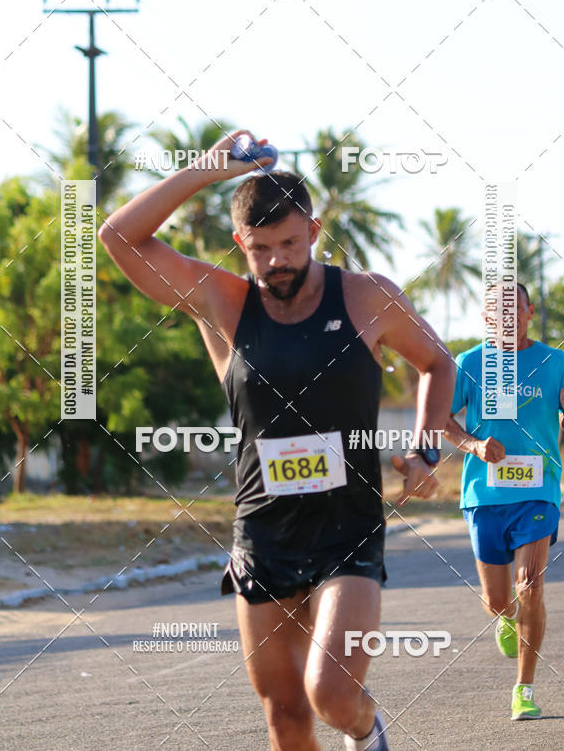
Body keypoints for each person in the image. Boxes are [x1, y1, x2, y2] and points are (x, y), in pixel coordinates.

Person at [99, 130, 456, 750]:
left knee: (332, 694)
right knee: (286, 717)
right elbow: (117, 237)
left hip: (348, 526)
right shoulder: (224, 300)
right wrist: (208, 171)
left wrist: (426, 451)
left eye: (290, 243)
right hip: (263, 529)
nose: (276, 261)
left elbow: (438, 362)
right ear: (241, 243)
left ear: (313, 232)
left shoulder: (366, 296)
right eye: (260, 248)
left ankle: (367, 734)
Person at [444, 282, 564, 721]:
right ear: (486, 318)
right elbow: (441, 421)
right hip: (484, 494)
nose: (508, 317)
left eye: (515, 309)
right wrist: (473, 445)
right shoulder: (469, 363)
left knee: (531, 585)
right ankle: (505, 617)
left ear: (529, 311)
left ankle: (524, 688)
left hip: (538, 490)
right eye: (497, 312)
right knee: (498, 599)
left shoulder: (553, 361)